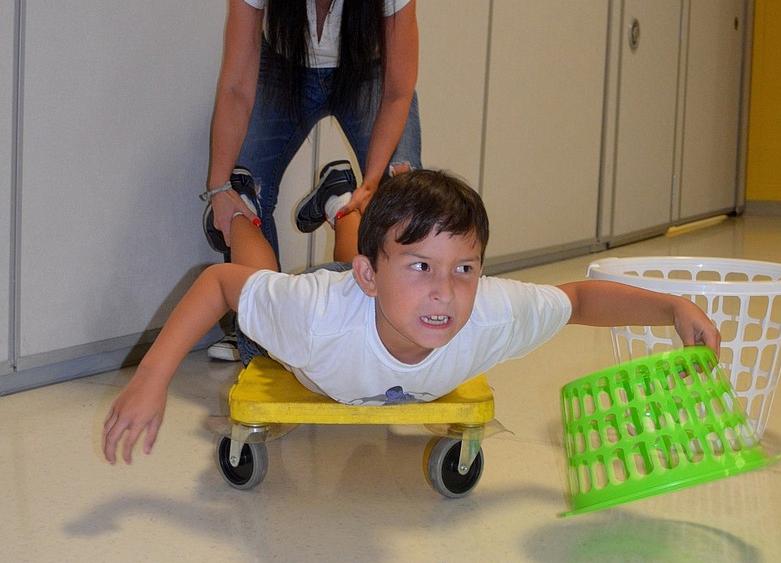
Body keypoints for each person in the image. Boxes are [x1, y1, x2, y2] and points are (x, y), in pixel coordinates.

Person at [103, 170, 720, 465]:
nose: (446, 295)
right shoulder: (313, 320)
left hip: (363, 288)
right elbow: (219, 287)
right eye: (423, 267)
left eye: (464, 269)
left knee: (370, 266)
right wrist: (151, 378)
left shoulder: (490, 316)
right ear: (371, 279)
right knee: (260, 283)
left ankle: (346, 204)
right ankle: (238, 209)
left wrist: (673, 308)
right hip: (314, 336)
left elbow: (580, 299)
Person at [202, 0, 421, 360]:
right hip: (282, 73)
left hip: (365, 74)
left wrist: (372, 184)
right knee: (239, 202)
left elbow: (397, 87)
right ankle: (267, 336)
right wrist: (217, 187)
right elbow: (236, 84)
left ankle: (346, 208)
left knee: (396, 205)